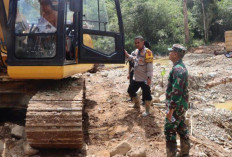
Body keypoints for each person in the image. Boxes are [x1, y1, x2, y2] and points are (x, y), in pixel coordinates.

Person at [165, 44, 190, 157]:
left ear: (175, 54)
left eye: (171, 52)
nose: (169, 53)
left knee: (169, 130)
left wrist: (170, 111)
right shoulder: (179, 67)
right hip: (181, 105)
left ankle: (171, 154)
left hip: (177, 106)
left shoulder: (178, 70)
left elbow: (177, 93)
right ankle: (184, 153)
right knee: (181, 127)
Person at [124, 36, 153, 116]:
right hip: (136, 78)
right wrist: (126, 54)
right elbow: (132, 59)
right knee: (130, 90)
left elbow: (149, 67)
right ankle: (137, 104)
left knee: (147, 94)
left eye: (138, 43)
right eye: (135, 43)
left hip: (144, 78)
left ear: (143, 42)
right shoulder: (136, 51)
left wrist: (149, 78)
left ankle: (147, 111)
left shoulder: (148, 52)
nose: (136, 44)